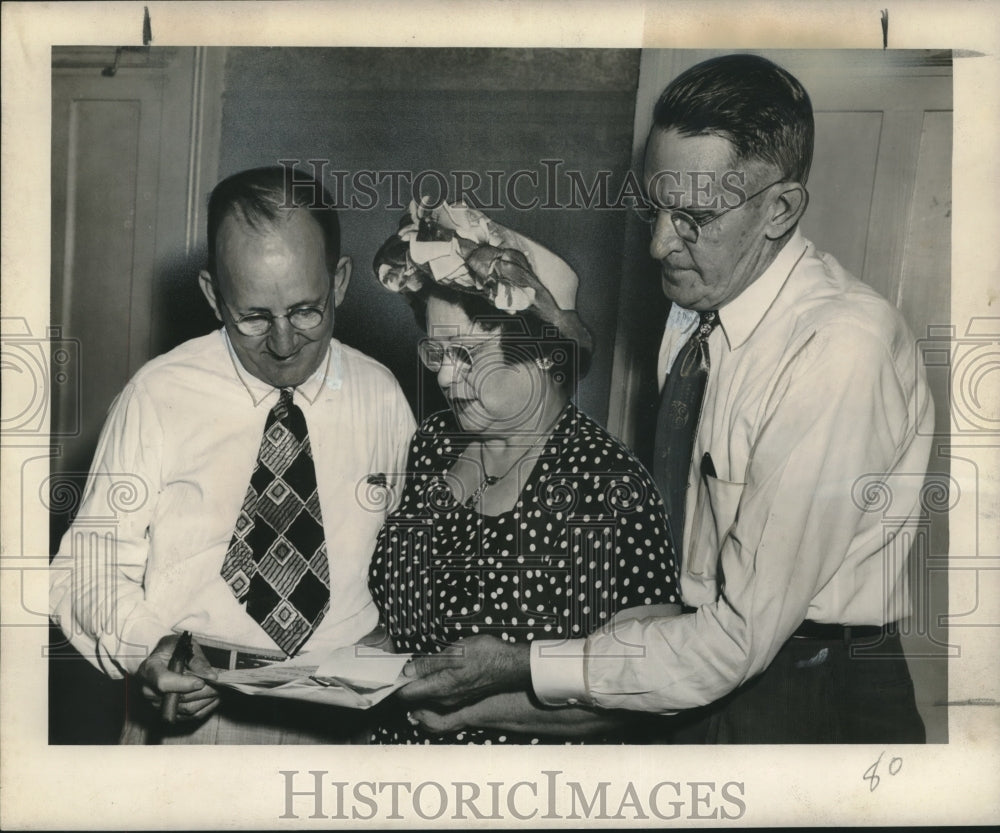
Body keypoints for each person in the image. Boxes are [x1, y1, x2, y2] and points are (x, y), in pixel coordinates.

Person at [395, 54, 934, 744]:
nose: (657, 243)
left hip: (809, 690)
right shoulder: (700, 308)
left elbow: (736, 640)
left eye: (693, 217)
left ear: (781, 209)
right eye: (653, 207)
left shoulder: (836, 353)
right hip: (701, 663)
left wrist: (524, 665)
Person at [49, 166, 415, 744]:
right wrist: (150, 650)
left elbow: (407, 557)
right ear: (213, 295)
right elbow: (87, 564)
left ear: (340, 282)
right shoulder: (158, 394)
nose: (284, 342)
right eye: (253, 316)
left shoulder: (382, 396)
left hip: (341, 723)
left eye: (305, 310)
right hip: (198, 715)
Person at [367, 201, 681, 743]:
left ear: (542, 355)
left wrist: (475, 713)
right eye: (436, 352)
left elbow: (641, 687)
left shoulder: (605, 483)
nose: (444, 377)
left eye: (466, 356)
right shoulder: (433, 445)